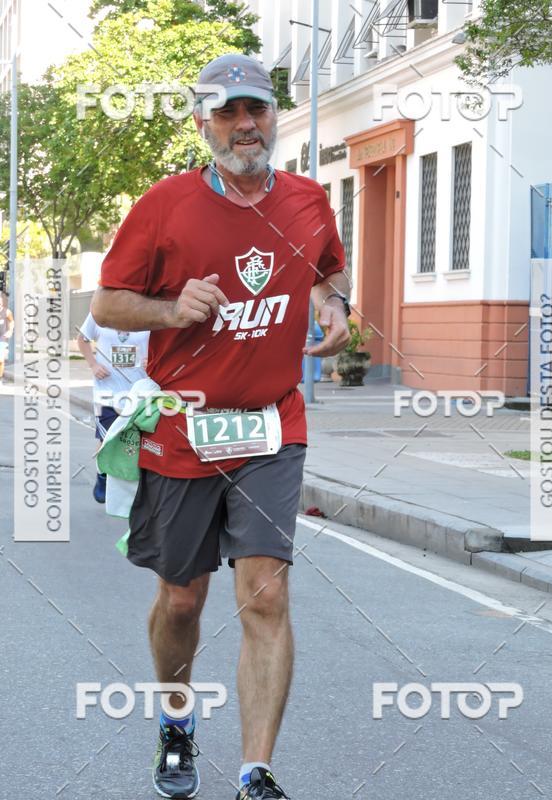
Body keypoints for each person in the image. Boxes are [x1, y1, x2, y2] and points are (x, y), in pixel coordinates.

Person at [91, 53, 351, 800]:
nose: (246, 125)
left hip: (272, 427)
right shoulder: (166, 205)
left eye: (257, 111)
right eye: (230, 112)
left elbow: (330, 271)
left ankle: (255, 771)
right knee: (182, 599)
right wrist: (172, 310)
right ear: (204, 122)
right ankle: (176, 722)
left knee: (265, 594)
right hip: (184, 430)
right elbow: (108, 302)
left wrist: (336, 308)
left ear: (275, 116)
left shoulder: (306, 201)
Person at [77, 312, 149, 503]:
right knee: (107, 438)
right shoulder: (99, 313)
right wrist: (93, 365)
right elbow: (82, 339)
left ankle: (136, 486)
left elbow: (161, 344)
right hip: (107, 394)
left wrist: (153, 360)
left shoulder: (146, 314)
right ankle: (102, 477)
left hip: (139, 392)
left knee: (136, 442)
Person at [0, 291, 14, 385]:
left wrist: (10, 331)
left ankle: (0, 378)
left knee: (0, 360)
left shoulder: (7, 311)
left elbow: (12, 321)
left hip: (2, 338)